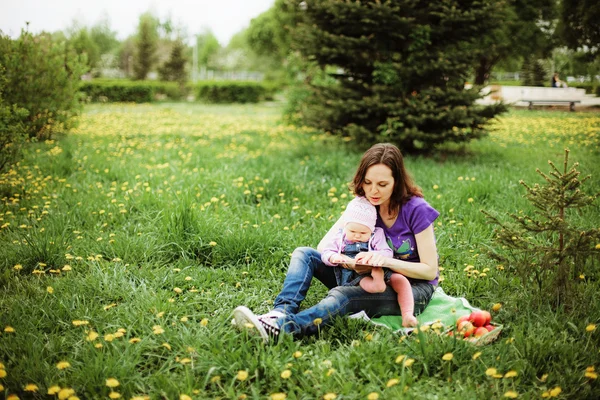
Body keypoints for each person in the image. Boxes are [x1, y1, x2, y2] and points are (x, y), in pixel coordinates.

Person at [233, 143, 440, 342]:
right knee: (304, 253)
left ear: (397, 183)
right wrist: (349, 263)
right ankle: (279, 313)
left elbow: (429, 271)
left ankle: (283, 329)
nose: (373, 191)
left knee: (343, 295)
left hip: (411, 290)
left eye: (382, 184)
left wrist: (384, 261)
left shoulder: (416, 209)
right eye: (368, 183)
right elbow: (324, 246)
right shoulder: (365, 205)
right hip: (359, 274)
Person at [320, 196, 418, 327]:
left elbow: (387, 251)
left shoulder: (377, 234)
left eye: (363, 232)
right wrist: (334, 257)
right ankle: (377, 285)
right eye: (352, 231)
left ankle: (407, 314)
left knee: (401, 280)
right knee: (364, 282)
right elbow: (326, 251)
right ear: (346, 226)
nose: (357, 235)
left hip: (378, 268)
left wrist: (374, 256)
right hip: (355, 274)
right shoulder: (340, 237)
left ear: (371, 229)